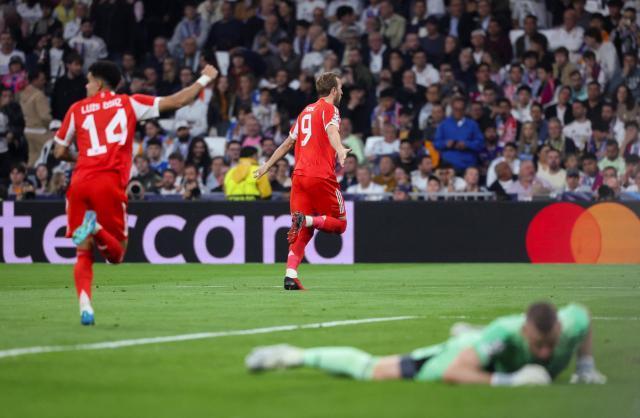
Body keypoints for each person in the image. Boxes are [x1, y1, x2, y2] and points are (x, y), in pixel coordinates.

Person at [53, 60, 219, 325]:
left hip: (80, 181)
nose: (86, 86)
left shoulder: (77, 109)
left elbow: (59, 151)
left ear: (98, 82)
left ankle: (85, 306)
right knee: (117, 255)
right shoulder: (129, 103)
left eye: (88, 81)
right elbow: (177, 101)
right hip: (108, 182)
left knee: (83, 252)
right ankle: (96, 228)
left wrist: (82, 158)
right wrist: (204, 79)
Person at [246, 302, 607, 387]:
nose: (545, 354)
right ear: (526, 332)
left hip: (487, 344)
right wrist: (508, 381)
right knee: (373, 370)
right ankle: (292, 355)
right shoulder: (507, 332)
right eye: (538, 345)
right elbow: (454, 372)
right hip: (465, 357)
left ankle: (470, 334)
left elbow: (585, 316)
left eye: (550, 344)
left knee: (482, 341)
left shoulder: (571, 323)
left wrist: (586, 367)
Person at [254, 72, 349, 291]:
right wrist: (340, 149)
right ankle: (307, 220)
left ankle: (290, 275)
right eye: (341, 88)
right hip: (321, 176)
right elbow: (332, 131)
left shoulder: (305, 111)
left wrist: (267, 165)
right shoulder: (330, 109)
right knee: (340, 224)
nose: (342, 92)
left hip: (298, 177)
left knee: (301, 229)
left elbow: (287, 143)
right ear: (333, 90)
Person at [434, 97, 484, 173]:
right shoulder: (443, 124)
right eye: (456, 109)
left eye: (461, 109)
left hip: (468, 165)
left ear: (465, 110)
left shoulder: (473, 125)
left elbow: (480, 144)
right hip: (448, 166)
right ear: (452, 109)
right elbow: (436, 143)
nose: (458, 112)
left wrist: (467, 144)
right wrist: (446, 143)